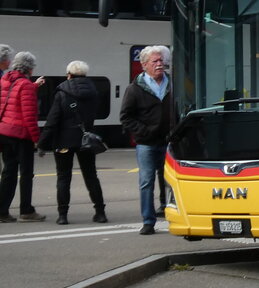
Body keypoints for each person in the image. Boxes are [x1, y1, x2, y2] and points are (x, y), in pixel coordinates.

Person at [37, 60, 106, 225]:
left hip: (63, 141)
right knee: (91, 176)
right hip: (86, 141)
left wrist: (42, 143)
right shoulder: (93, 92)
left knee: (63, 178)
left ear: (69, 74)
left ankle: (63, 215)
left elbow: (52, 120)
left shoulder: (61, 92)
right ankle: (100, 212)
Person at [121, 45, 173, 235]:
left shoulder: (173, 84)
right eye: (155, 61)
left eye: (162, 60)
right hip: (146, 143)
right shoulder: (134, 89)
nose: (160, 64)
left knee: (170, 181)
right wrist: (143, 131)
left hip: (168, 141)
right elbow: (125, 117)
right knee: (146, 181)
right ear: (144, 65)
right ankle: (148, 221)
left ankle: (171, 213)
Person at [0, 51, 46, 222]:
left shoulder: (5, 80)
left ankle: (2, 211)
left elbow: (13, 95)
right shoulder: (25, 85)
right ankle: (26, 210)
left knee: (8, 172)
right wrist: (36, 139)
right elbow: (29, 116)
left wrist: (33, 85)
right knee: (26, 173)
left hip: (4, 132)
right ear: (30, 68)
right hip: (21, 135)